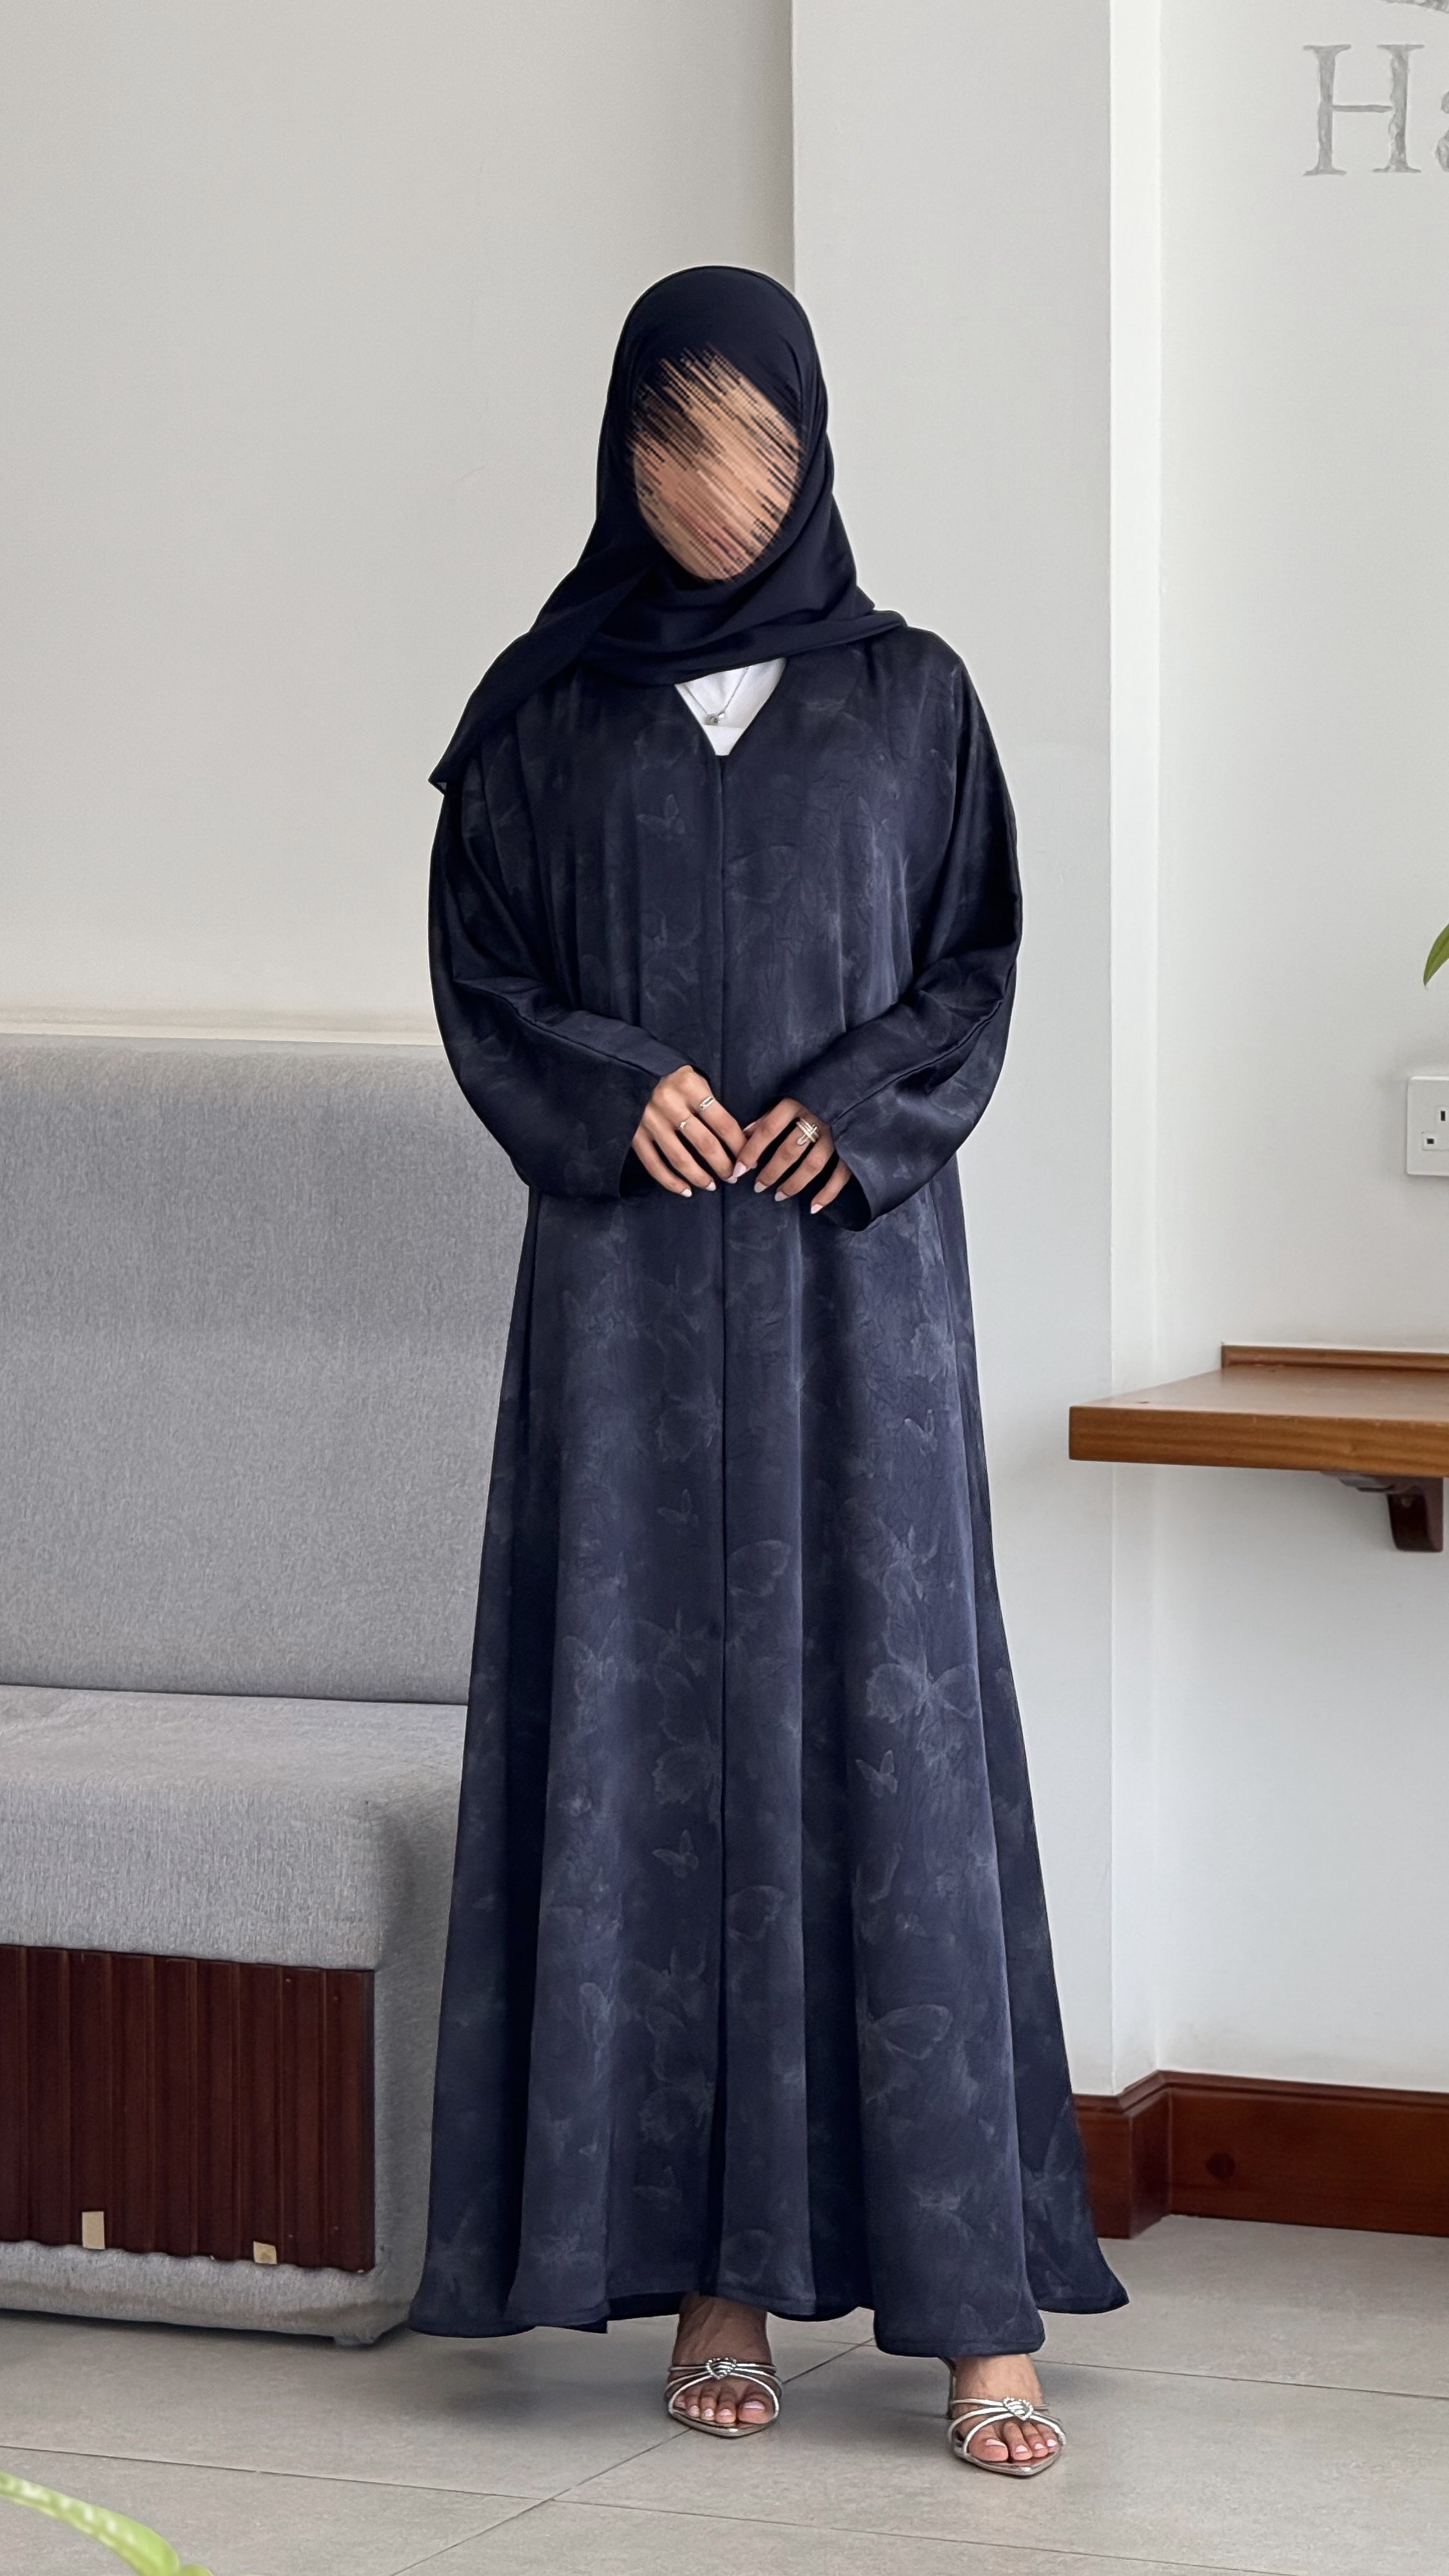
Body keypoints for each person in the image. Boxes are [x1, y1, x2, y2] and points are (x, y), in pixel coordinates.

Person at [409, 264, 1125, 2475]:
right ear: (620, 449)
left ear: (811, 455)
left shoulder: (913, 700)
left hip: (851, 1311)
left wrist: (864, 1109)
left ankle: (978, 2315)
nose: (716, 485)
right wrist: (617, 1085)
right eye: (677, 438)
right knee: (649, 1753)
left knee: (891, 1750)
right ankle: (707, 2285)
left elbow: (976, 962)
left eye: (755, 443)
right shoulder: (547, 716)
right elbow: (485, 975)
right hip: (627, 1316)